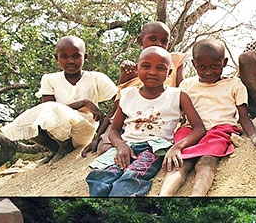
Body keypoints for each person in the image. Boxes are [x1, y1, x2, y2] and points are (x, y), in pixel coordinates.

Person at [85, 46, 205, 196]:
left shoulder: (178, 95)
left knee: (131, 177)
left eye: (160, 68)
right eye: (146, 66)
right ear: (137, 68)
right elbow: (114, 130)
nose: (152, 72)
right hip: (125, 147)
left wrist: (177, 147)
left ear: (169, 72)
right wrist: (121, 146)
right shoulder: (127, 94)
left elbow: (199, 128)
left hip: (154, 148)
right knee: (101, 177)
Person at [159, 39, 256, 196]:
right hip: (190, 131)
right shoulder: (186, 85)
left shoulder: (235, 84)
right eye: (202, 67)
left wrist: (254, 137)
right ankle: (164, 196)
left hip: (220, 130)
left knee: (207, 161)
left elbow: (244, 117)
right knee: (180, 163)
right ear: (194, 63)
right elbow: (180, 114)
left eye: (215, 66)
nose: (208, 71)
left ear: (224, 62)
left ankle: (197, 196)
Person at [1, 35, 118, 163]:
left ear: (85, 57)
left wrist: (100, 135)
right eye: (64, 56)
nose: (70, 61)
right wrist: (84, 103)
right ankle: (56, 149)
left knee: (51, 108)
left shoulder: (96, 78)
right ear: (57, 58)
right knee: (35, 115)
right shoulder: (50, 79)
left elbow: (120, 102)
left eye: (76, 56)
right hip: (57, 134)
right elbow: (47, 108)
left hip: (83, 130)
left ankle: (65, 146)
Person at [82, 21, 187, 157]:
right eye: (153, 39)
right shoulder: (133, 70)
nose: (159, 44)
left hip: (158, 118)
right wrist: (97, 137)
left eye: (164, 41)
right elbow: (116, 108)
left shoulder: (174, 61)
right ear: (140, 41)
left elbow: (183, 89)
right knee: (105, 149)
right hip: (127, 121)